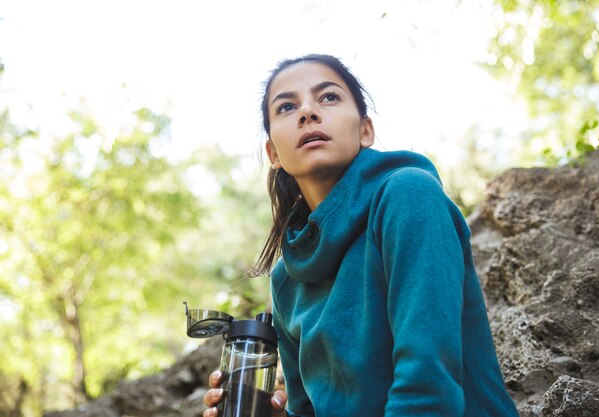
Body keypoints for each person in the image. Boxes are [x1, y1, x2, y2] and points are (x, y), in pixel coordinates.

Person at [203, 54, 519, 417]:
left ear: (365, 130)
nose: (307, 112)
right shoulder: (286, 279)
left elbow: (428, 388)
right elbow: (309, 411)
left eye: (329, 97)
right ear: (273, 153)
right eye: (287, 106)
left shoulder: (409, 196)